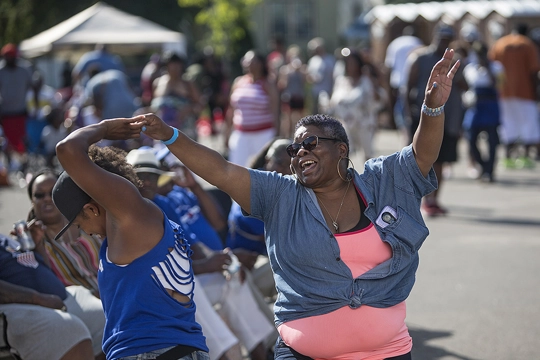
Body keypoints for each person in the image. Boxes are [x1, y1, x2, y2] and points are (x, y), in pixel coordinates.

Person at [128, 47, 460, 359]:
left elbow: (421, 155)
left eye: (311, 143)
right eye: (295, 149)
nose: (300, 151)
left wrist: (432, 108)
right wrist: (170, 135)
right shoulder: (280, 194)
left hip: (387, 351)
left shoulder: (379, 180)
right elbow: (222, 170)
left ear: (341, 149)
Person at [52, 131, 209, 359]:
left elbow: (66, 149)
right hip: (178, 349)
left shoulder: (130, 220)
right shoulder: (141, 223)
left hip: (152, 352)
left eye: (78, 224)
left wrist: (107, 127)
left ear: (91, 209)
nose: (84, 232)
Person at [126, 148, 276, 360]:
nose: (148, 182)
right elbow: (156, 270)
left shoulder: (163, 202)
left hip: (186, 277)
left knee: (231, 281)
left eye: (152, 175)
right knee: (193, 294)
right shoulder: (130, 214)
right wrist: (207, 265)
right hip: (159, 291)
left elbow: (192, 245)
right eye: (141, 176)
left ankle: (262, 353)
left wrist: (222, 262)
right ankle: (234, 352)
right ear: (129, 180)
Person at [0, 231, 105, 360]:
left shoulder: (7, 239)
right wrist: (37, 298)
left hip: (58, 297)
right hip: (21, 305)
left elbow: (39, 269)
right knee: (70, 329)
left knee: (106, 317)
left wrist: (38, 246)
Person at [405, 24, 467, 216]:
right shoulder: (420, 58)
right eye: (442, 38)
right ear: (435, 37)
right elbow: (407, 88)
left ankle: (434, 200)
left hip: (448, 119)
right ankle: (423, 199)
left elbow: (465, 87)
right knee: (422, 159)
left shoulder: (454, 62)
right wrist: (407, 114)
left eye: (449, 39)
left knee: (442, 161)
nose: (445, 42)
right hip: (424, 117)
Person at [226, 138, 291, 300]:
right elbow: (284, 240)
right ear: (269, 161)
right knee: (296, 264)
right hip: (241, 272)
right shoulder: (254, 187)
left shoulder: (271, 182)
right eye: (281, 163)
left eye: (292, 166)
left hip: (260, 262)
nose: (288, 171)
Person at [27, 169, 102, 297]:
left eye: (52, 193)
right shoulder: (31, 238)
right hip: (78, 306)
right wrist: (37, 246)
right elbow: (45, 283)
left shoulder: (87, 221)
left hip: (112, 293)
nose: (47, 199)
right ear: (32, 201)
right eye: (39, 195)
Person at [489, 23, 540, 169]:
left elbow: (492, 66)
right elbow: (533, 72)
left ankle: (508, 158)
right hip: (526, 93)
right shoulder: (528, 44)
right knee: (529, 124)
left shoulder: (500, 43)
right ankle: (524, 157)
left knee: (508, 124)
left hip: (504, 93)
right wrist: (536, 93)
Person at [327, 50, 387, 161]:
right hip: (346, 124)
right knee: (343, 154)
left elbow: (378, 99)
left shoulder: (366, 80)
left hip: (364, 124)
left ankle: (368, 177)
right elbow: (334, 102)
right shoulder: (341, 81)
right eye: (348, 63)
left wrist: (371, 80)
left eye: (353, 63)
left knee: (367, 155)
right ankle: (344, 177)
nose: (351, 66)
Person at [224, 50, 279, 166]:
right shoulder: (239, 82)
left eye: (251, 61)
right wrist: (227, 132)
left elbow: (275, 111)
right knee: (236, 166)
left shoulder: (268, 84)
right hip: (241, 133)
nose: (248, 64)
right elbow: (231, 109)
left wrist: (277, 133)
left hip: (263, 134)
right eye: (246, 61)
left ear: (260, 64)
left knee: (260, 168)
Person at [462, 41, 504, 183]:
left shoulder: (496, 67)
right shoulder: (470, 68)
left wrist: (488, 68)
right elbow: (466, 85)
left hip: (491, 105)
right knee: (471, 138)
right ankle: (482, 165)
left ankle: (490, 170)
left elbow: (499, 84)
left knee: (492, 140)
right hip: (476, 106)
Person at [152, 51, 202, 141]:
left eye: (178, 65)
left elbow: (199, 104)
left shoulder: (187, 83)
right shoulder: (158, 83)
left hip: (184, 130)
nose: (175, 68)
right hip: (162, 130)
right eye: (172, 64)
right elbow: (154, 106)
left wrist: (189, 109)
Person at [0, 43, 32, 171]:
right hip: (6, 112)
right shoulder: (1, 71)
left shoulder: (24, 70)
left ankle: (24, 162)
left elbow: (32, 85)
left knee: (22, 139)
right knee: (6, 139)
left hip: (20, 111)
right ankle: (8, 162)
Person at [278, 45, 307, 139]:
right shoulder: (285, 69)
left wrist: (301, 71)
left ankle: (300, 136)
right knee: (287, 120)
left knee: (300, 119)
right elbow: (281, 84)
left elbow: (305, 82)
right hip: (289, 97)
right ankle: (286, 138)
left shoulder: (302, 69)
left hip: (299, 97)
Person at [306, 37, 335, 114]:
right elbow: (308, 76)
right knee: (315, 113)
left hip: (327, 90)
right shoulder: (313, 60)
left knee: (327, 113)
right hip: (315, 92)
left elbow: (333, 75)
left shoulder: (330, 59)